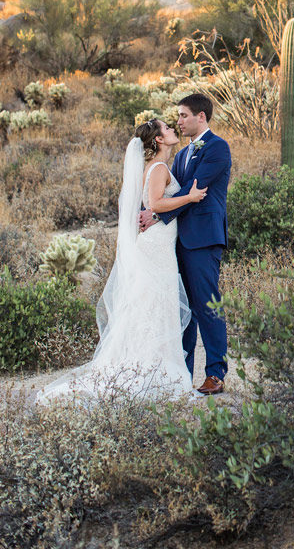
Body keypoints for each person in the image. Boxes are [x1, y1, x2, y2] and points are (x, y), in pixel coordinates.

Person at [36, 118, 207, 404]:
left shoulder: (158, 166)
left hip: (160, 245)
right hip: (155, 247)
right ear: (158, 140)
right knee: (155, 305)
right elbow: (155, 205)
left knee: (155, 306)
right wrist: (188, 198)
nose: (172, 130)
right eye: (166, 128)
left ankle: (158, 371)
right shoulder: (158, 168)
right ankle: (154, 374)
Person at [139, 93, 231, 396]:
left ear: (200, 117)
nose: (178, 122)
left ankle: (216, 374)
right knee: (184, 310)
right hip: (176, 241)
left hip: (203, 239)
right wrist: (157, 212)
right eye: (176, 117)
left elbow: (197, 191)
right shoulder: (180, 155)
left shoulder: (217, 148)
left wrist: (154, 214)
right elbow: (171, 195)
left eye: (183, 115)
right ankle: (182, 374)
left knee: (207, 306)